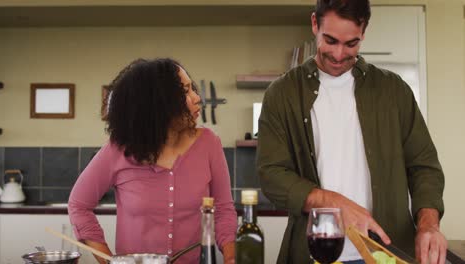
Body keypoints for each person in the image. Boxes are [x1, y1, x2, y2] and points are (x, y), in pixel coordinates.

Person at [256, 0, 446, 263]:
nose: (338, 54)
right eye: (330, 40)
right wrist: (331, 201)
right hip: (313, 253)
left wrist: (428, 225)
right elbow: (271, 175)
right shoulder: (282, 94)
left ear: (364, 31)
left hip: (388, 253)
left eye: (351, 44)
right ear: (314, 24)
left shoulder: (394, 91)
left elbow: (424, 166)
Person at [68, 58, 237, 264]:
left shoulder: (209, 143)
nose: (196, 98)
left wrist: (230, 258)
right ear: (158, 103)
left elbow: (223, 209)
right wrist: (108, 261)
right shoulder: (118, 148)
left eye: (192, 89)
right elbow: (78, 205)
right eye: (185, 91)